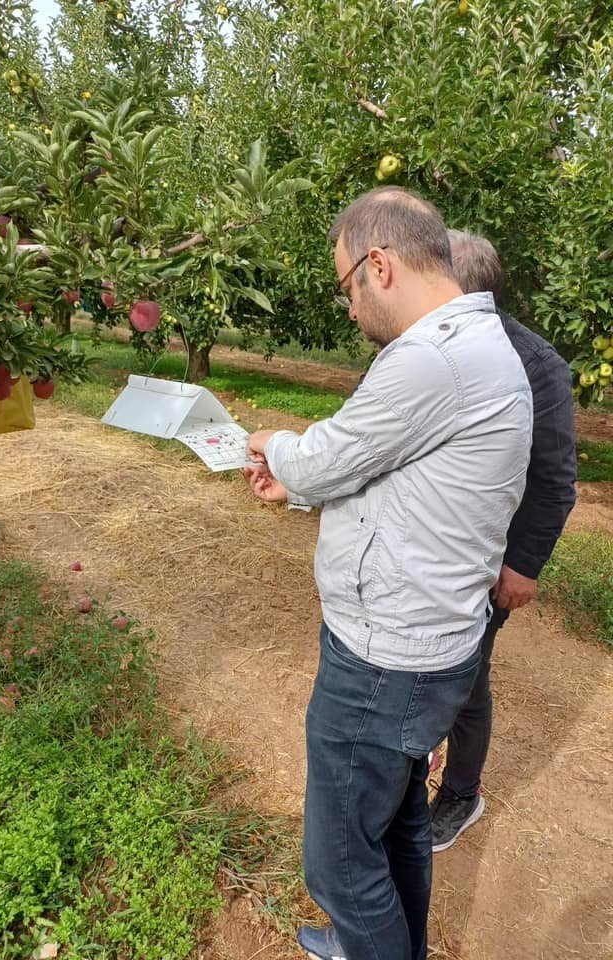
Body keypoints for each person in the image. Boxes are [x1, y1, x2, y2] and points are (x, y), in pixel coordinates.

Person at [243, 186, 533, 960]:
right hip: (428, 644)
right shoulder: (481, 344)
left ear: (379, 264)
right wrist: (299, 483)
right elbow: (393, 479)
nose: (347, 308)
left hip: (383, 658)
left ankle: (371, 945)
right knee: (399, 822)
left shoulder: (431, 358)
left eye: (345, 287)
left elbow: (334, 454)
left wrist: (273, 443)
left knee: (338, 861)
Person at [428, 231, 577, 852]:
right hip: (432, 544)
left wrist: (522, 566)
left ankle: (462, 792)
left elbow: (554, 478)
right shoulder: (423, 345)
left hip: (487, 559)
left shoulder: (537, 367)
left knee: (466, 672)